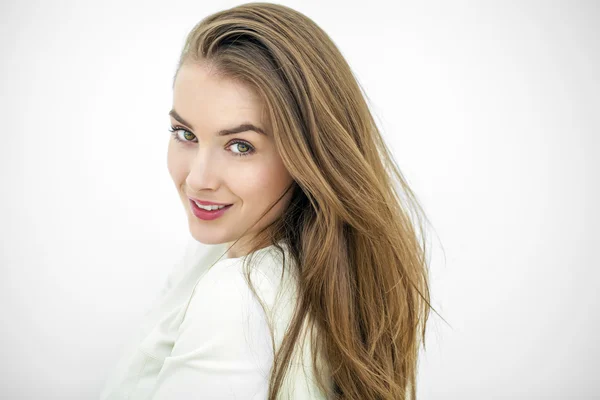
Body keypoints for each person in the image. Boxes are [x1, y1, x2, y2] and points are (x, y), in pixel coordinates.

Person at [100, 2, 437, 399]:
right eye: (185, 134)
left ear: (308, 155)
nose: (197, 179)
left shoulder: (239, 299)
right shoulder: (253, 256)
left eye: (240, 146)